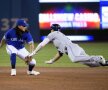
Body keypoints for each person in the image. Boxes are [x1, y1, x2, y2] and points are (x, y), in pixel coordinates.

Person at [28, 24, 108, 67]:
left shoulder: (53, 33)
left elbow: (42, 44)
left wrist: (34, 52)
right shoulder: (60, 37)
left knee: (74, 59)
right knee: (89, 64)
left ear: (52, 29)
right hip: (75, 48)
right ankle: (104, 63)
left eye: (51, 29)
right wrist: (52, 61)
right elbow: (60, 54)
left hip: (71, 48)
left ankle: (99, 58)